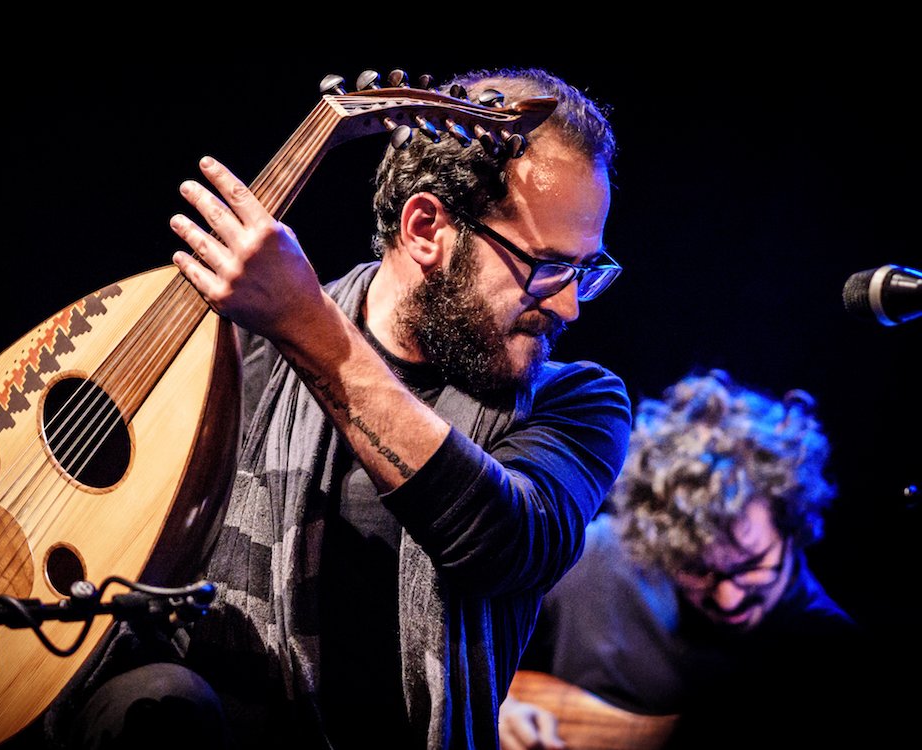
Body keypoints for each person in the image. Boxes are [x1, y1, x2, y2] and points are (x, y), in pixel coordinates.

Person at [63, 67, 632, 750]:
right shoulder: (241, 352)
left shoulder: (576, 402)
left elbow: (502, 541)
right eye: (547, 266)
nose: (569, 304)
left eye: (586, 270)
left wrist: (309, 326)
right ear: (427, 228)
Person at [498, 369, 864, 750]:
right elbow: (462, 639)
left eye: (752, 566)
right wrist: (497, 708)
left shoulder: (831, 655)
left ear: (794, 525)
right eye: (696, 570)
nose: (729, 600)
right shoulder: (597, 558)